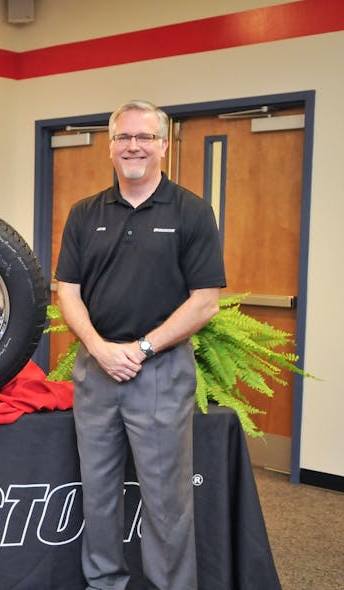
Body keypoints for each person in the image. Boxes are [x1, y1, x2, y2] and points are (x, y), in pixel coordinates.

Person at [55, 99, 226, 590]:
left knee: (166, 501)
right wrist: (101, 348)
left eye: (145, 137)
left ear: (164, 146)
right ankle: (104, 583)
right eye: (124, 137)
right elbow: (67, 291)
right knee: (99, 493)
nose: (134, 146)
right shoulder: (85, 213)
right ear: (111, 147)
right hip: (97, 372)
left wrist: (143, 349)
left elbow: (205, 301)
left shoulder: (191, 211)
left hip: (161, 374)